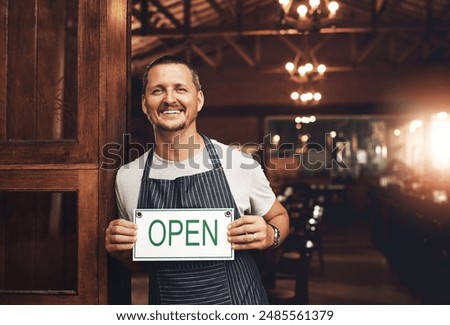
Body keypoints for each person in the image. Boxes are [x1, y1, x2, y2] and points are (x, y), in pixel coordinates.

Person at [105, 55, 289, 305]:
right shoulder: (128, 177)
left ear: (199, 99)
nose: (170, 99)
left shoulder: (239, 163)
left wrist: (271, 235)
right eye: (158, 90)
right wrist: (120, 250)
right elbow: (140, 263)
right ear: (144, 104)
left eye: (180, 89)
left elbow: (280, 217)